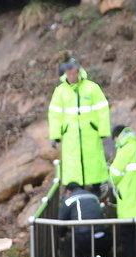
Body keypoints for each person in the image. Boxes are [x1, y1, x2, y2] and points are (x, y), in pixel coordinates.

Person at [48, 60, 112, 191]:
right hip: (70, 136)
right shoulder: (60, 92)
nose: (72, 77)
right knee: (73, 166)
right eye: (69, 74)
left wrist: (103, 131)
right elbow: (55, 115)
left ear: (78, 72)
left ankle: (96, 191)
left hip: (90, 134)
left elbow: (102, 110)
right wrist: (55, 135)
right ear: (65, 74)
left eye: (74, 73)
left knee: (94, 164)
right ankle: (78, 192)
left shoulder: (92, 88)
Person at [108, 123, 136, 257]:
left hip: (130, 203)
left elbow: (114, 175)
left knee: (129, 237)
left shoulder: (126, 150)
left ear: (117, 137)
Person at [59, 182, 106, 257]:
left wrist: (61, 234)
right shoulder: (93, 197)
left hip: (83, 236)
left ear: (68, 191)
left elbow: (61, 222)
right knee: (97, 247)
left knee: (70, 240)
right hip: (102, 234)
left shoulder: (68, 200)